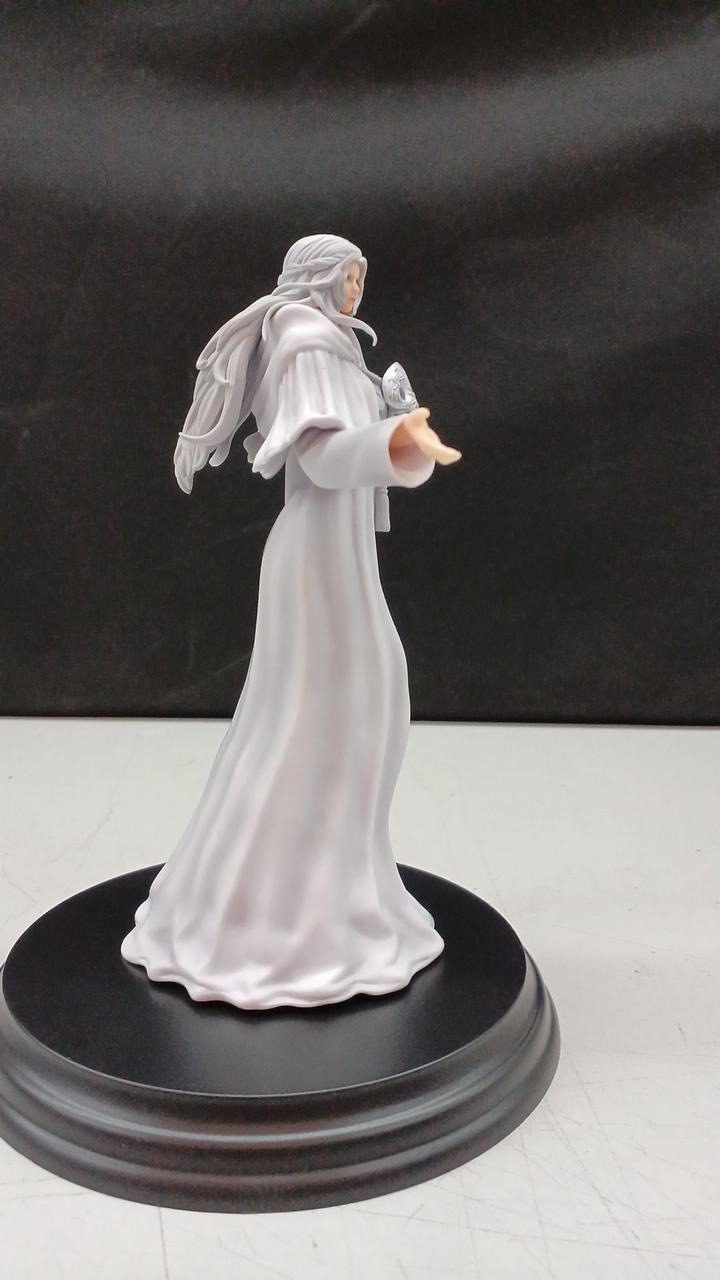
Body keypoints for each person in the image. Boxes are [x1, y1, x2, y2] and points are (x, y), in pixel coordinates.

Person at [121, 233, 462, 1009]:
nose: (355, 290)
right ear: (316, 276)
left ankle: (333, 899)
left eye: (361, 277)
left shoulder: (340, 349)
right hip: (315, 558)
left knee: (367, 709)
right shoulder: (304, 340)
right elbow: (322, 459)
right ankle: (273, 920)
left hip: (342, 550)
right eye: (347, 275)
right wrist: (394, 440)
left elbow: (370, 457)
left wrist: (402, 431)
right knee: (322, 718)